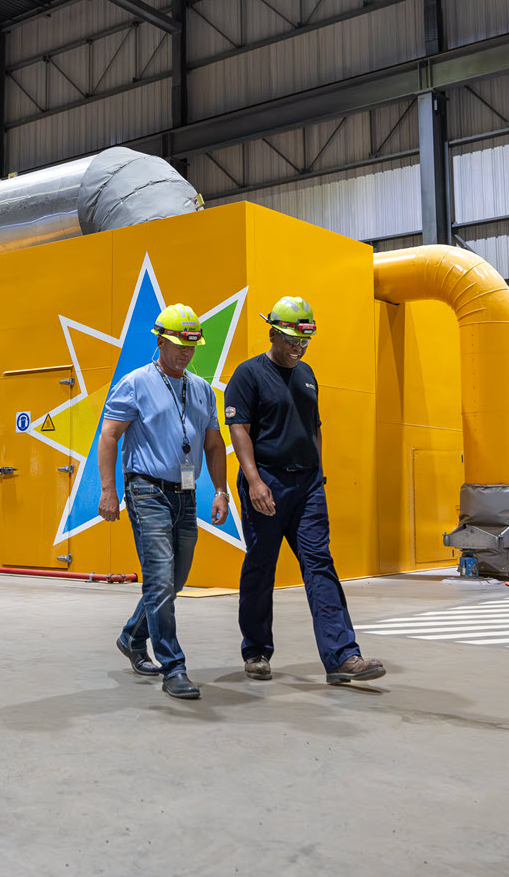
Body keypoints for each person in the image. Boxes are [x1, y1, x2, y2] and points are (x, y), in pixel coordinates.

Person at [224, 296, 385, 684]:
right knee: (262, 568)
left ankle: (343, 657)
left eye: (304, 341)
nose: (299, 347)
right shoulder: (248, 375)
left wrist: (319, 473)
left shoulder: (308, 373)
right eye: (292, 340)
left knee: (319, 565)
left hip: (308, 484)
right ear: (273, 334)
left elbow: (316, 428)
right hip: (268, 484)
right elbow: (239, 430)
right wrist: (256, 481)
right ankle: (257, 651)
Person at [98, 304, 231, 700]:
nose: (185, 353)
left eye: (191, 346)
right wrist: (108, 491)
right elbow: (109, 436)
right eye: (177, 345)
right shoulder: (135, 383)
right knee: (158, 579)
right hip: (146, 492)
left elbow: (212, 443)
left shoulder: (201, 388)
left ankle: (131, 637)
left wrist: (221, 491)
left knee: (174, 581)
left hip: (185, 495)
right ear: (160, 341)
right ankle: (174, 666)